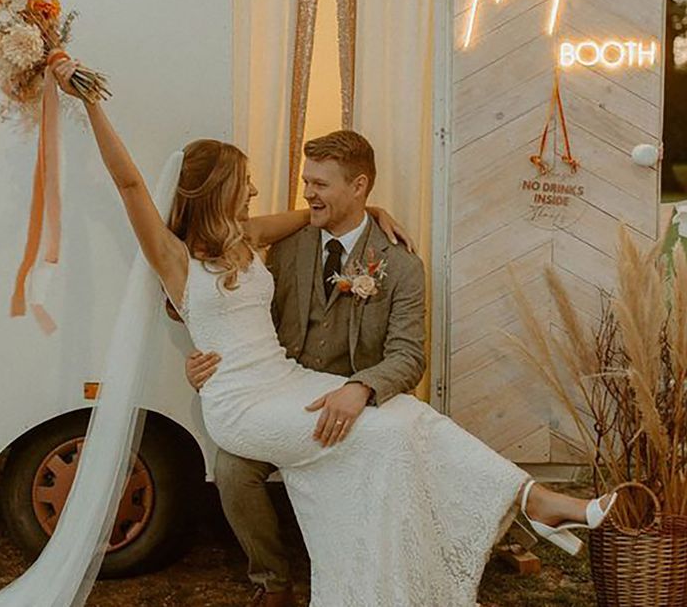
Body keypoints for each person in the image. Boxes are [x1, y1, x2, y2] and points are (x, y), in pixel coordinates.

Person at [49, 55, 616, 607]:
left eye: (314, 182)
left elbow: (315, 217)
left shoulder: (247, 237)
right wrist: (91, 101)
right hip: (243, 404)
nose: (256, 190)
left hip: (287, 379)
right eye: (245, 182)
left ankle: (534, 499)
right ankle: (352, 578)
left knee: (412, 416)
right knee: (385, 437)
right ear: (219, 187)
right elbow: (129, 187)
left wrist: (380, 211)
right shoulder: (174, 259)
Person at [184, 128, 427, 607]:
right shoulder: (286, 247)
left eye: (319, 184)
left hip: (353, 403)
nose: (307, 194)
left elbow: (408, 356)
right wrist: (206, 360)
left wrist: (361, 389)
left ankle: (360, 571)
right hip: (281, 397)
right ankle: (273, 581)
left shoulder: (400, 265)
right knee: (232, 468)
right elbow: (242, 316)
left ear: (358, 187)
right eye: (305, 182)